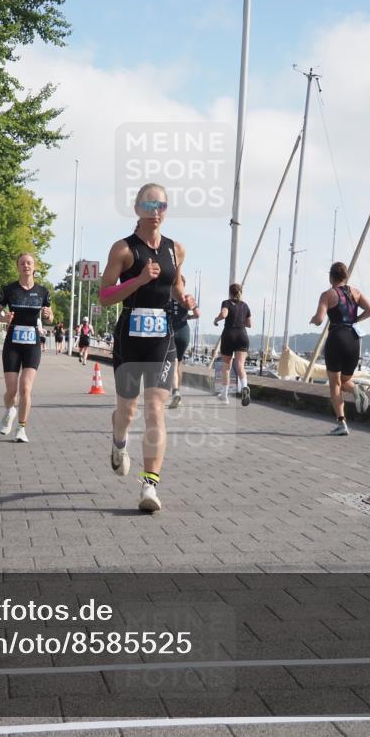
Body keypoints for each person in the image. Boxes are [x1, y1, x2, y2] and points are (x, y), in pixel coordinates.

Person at [98, 183, 195, 512]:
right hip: (129, 337)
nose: (156, 209)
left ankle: (149, 485)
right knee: (127, 412)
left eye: (162, 204)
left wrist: (185, 297)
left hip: (162, 339)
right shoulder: (123, 250)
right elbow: (105, 294)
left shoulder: (175, 249)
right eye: (150, 203)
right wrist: (137, 281)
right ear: (138, 208)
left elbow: (177, 283)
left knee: (156, 411)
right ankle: (118, 441)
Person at [0, 253, 52, 443]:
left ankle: (21, 428)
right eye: (22, 263)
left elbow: (49, 319)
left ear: (34, 267)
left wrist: (49, 315)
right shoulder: (9, 289)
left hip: (32, 343)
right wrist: (5, 318)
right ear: (18, 267)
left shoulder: (43, 292)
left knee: (25, 388)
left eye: (29, 263)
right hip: (13, 343)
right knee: (11, 391)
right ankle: (10, 411)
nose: (26, 265)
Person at [310, 261, 370, 435]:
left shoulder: (327, 295)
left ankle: (342, 423)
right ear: (345, 276)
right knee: (346, 380)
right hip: (354, 340)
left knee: (335, 384)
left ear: (331, 276)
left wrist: (313, 319)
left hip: (337, 338)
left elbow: (319, 319)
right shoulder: (356, 292)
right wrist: (356, 320)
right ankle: (356, 390)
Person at [213, 283, 253, 406]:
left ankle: (224, 396)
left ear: (230, 292)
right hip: (242, 335)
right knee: (240, 365)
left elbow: (224, 314)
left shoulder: (226, 303)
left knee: (226, 366)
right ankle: (244, 386)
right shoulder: (245, 306)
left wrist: (216, 319)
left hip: (229, 335)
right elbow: (249, 324)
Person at [167, 275, 199, 409]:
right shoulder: (188, 297)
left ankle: (174, 392)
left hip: (170, 330)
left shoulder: (166, 296)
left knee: (170, 363)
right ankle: (177, 393)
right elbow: (197, 314)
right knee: (178, 364)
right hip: (184, 331)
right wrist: (188, 317)